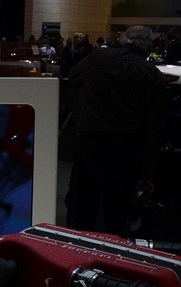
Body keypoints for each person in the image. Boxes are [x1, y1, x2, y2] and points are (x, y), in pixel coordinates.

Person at [64, 25, 166, 236]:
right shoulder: (153, 75)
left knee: (82, 205)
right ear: (149, 46)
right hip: (127, 149)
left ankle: (74, 247)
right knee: (117, 210)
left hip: (91, 142)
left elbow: (73, 77)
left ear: (124, 40)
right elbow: (154, 128)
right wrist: (148, 172)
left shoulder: (99, 57)